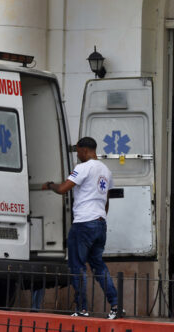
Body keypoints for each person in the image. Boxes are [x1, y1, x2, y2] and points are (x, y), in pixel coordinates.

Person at [42, 137, 121, 319]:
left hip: (84, 223)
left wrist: (50, 185)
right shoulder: (106, 171)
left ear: (84, 150)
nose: (77, 155)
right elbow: (106, 200)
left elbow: (63, 189)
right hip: (100, 223)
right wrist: (100, 218)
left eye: (78, 151)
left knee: (77, 266)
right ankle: (116, 305)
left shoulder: (83, 168)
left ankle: (82, 309)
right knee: (98, 266)